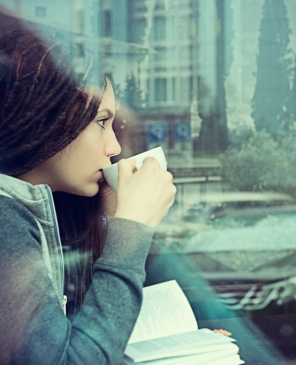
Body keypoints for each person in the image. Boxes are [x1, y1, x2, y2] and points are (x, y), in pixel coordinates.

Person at [0, 25, 176, 364]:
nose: (115, 147)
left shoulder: (36, 210)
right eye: (100, 121)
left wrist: (110, 223)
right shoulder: (5, 219)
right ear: (44, 117)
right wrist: (133, 229)